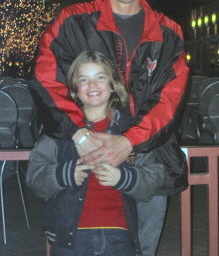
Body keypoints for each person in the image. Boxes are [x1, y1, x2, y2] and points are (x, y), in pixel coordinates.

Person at [29, 0, 189, 255]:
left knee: (141, 248)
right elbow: (44, 78)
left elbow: (171, 100)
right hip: (81, 149)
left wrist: (129, 140)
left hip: (147, 157)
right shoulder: (73, 21)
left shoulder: (169, 33)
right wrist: (78, 133)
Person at [26, 50, 167, 256]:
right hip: (69, 240)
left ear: (112, 85)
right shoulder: (60, 131)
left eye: (100, 77)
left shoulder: (132, 131)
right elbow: (34, 178)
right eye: (84, 80)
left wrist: (123, 178)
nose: (92, 85)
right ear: (75, 89)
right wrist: (63, 174)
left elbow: (154, 178)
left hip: (120, 237)